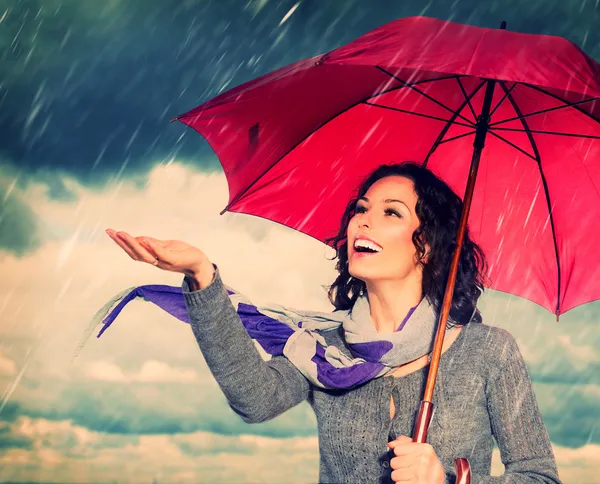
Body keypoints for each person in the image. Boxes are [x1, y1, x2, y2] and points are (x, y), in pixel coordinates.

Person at [103, 162, 561, 484]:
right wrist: (203, 275)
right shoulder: (324, 350)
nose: (363, 222)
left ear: (427, 246)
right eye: (361, 209)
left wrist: (447, 479)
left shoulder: (490, 351)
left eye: (390, 213)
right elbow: (253, 399)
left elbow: (539, 476)